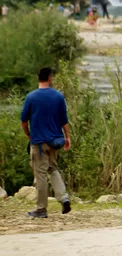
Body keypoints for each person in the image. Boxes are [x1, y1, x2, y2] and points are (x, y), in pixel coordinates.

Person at [20, 67, 72, 219]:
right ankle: (64, 198)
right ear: (50, 78)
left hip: (39, 142)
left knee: (41, 174)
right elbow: (64, 121)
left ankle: (41, 209)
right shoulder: (58, 96)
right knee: (53, 169)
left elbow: (23, 121)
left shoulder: (31, 97)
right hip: (56, 141)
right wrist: (67, 137)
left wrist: (29, 135)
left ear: (38, 78)